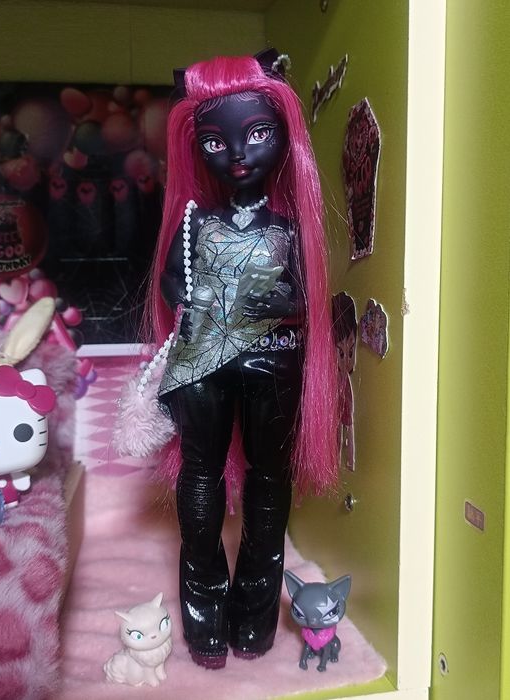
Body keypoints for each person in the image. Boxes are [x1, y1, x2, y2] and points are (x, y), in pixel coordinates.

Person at [140, 50, 339, 669]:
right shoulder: (194, 220)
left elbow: (303, 296)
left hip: (271, 358)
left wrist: (272, 301)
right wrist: (202, 297)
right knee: (200, 478)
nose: (236, 155)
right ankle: (204, 617)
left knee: (268, 480)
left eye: (256, 135)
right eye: (214, 142)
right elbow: (173, 284)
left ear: (283, 136)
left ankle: (254, 618)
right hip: (203, 360)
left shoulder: (290, 226)